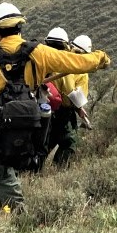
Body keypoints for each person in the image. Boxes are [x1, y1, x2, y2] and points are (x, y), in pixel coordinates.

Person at [0, 3, 110, 210]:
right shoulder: (39, 53)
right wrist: (101, 58)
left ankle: (17, 214)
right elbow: (76, 62)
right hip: (29, 121)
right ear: (19, 28)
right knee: (13, 165)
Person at [42, 27, 81, 169]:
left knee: (44, 143)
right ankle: (58, 169)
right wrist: (80, 107)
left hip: (41, 110)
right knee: (69, 142)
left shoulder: (41, 61)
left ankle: (33, 170)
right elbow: (70, 91)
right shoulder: (63, 65)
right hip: (61, 112)